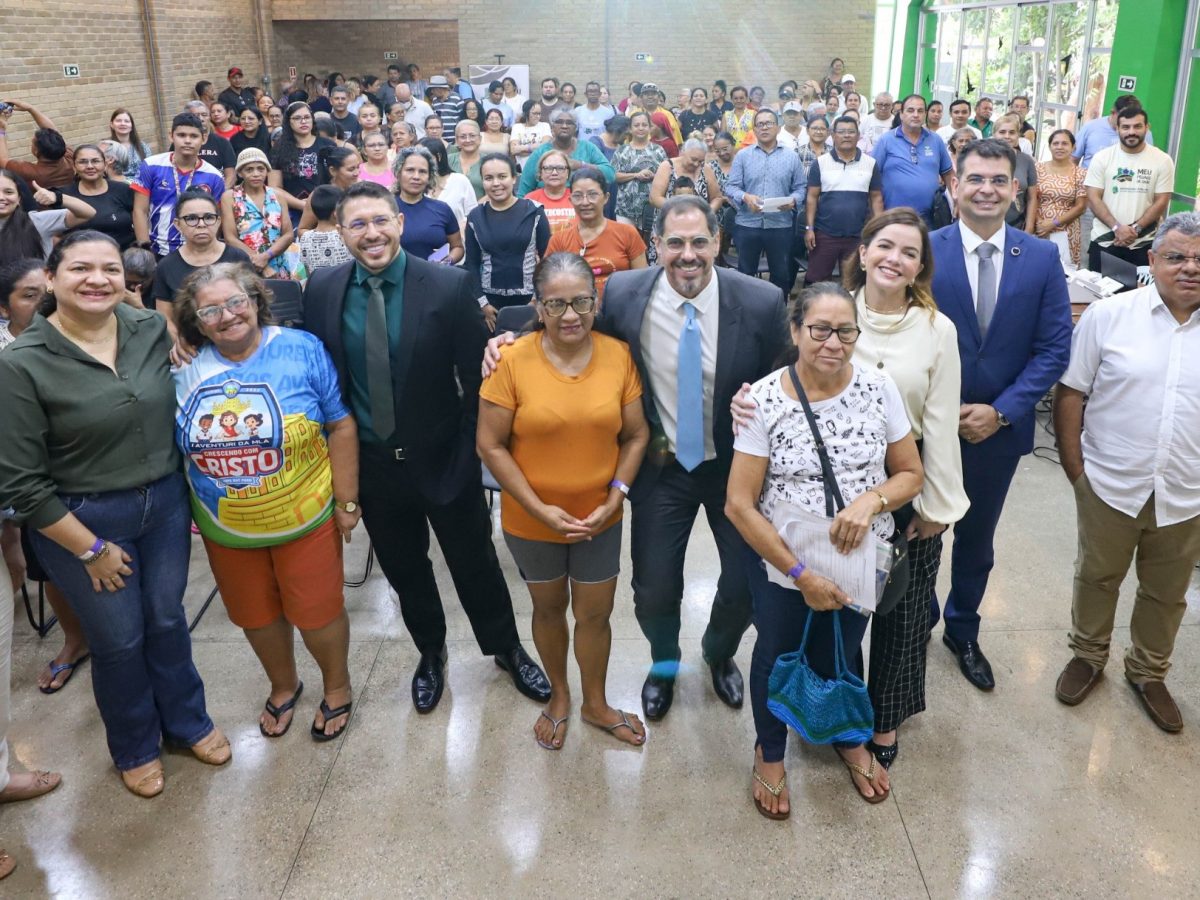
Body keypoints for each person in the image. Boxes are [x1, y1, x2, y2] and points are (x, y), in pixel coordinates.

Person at [485, 196, 788, 722]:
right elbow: (568, 321)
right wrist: (510, 340)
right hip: (661, 468)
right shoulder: (625, 292)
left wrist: (763, 403)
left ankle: (718, 653)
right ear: (656, 245)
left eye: (699, 242)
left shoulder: (761, 300)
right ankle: (664, 663)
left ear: (718, 242)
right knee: (652, 591)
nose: (687, 255)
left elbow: (784, 378)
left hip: (734, 470)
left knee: (744, 586)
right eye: (675, 243)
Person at [301, 180, 550, 712]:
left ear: (400, 222)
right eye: (358, 224)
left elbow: (475, 377)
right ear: (341, 232)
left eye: (381, 220)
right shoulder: (322, 288)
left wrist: (468, 450)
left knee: (474, 562)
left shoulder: (446, 285)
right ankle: (430, 652)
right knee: (405, 568)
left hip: (444, 459)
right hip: (371, 465)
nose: (372, 234)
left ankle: (506, 647)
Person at [0, 230, 229, 798]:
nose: (97, 279)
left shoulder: (148, 328)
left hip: (165, 505)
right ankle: (134, 745)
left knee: (167, 620)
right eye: (80, 268)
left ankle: (187, 722)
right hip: (82, 520)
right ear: (52, 279)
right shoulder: (22, 364)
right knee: (120, 640)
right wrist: (91, 550)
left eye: (109, 268)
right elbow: (23, 485)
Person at [726, 281, 923, 814]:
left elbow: (910, 474)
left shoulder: (879, 389)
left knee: (841, 647)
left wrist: (871, 501)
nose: (832, 342)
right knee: (777, 653)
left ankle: (847, 736)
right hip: (784, 563)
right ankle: (769, 753)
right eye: (819, 329)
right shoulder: (762, 401)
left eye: (845, 331)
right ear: (795, 331)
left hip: (860, 559)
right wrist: (800, 574)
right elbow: (739, 505)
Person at [172, 262, 358, 740]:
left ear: (256, 299)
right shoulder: (182, 366)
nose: (227, 316)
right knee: (255, 615)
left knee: (317, 611)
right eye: (210, 310)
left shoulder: (301, 348)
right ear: (194, 321)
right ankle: (283, 685)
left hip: (306, 514)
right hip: (226, 526)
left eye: (236, 301)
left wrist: (347, 501)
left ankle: (336, 687)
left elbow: (339, 423)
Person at [477, 252, 650, 749]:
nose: (570, 315)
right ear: (536, 306)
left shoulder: (618, 355)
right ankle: (559, 696)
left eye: (580, 302)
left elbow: (636, 436)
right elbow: (488, 444)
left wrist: (617, 496)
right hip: (532, 519)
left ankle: (595, 702)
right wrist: (537, 507)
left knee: (595, 614)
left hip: (601, 513)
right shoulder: (510, 359)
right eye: (556, 305)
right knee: (548, 608)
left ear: (596, 303)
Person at [929, 138, 1072, 689]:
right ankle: (912, 621)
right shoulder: (924, 249)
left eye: (998, 180)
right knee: (919, 533)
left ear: (1016, 189)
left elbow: (1054, 348)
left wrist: (1004, 411)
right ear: (954, 185)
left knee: (976, 538)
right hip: (926, 430)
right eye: (975, 179)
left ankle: (962, 628)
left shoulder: (1039, 257)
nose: (986, 190)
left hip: (998, 431)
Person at [1052, 212, 1200, 733]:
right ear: (1153, 259)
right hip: (1110, 481)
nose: (1189, 268)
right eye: (1177, 256)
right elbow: (1071, 391)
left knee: (1167, 591)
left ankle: (1148, 671)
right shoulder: (1109, 315)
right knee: (1097, 575)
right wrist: (1076, 470)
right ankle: (1088, 656)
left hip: (1186, 490)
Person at [724, 109, 806, 296]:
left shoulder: (791, 157)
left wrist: (793, 200)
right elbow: (731, 187)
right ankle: (747, 315)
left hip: (780, 225)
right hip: (748, 225)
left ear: (777, 127)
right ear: (754, 129)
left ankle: (777, 316)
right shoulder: (743, 156)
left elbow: (801, 188)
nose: (765, 127)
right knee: (746, 274)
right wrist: (745, 197)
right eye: (760, 124)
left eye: (769, 123)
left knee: (780, 275)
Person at [1084, 105, 1174, 272]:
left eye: (1137, 126)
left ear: (1147, 128)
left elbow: (1161, 201)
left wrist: (1135, 229)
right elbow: (1093, 197)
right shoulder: (1102, 158)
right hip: (1104, 241)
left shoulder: (1162, 160)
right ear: (1117, 128)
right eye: (1125, 127)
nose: (1131, 132)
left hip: (1143, 244)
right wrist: (1117, 228)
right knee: (1099, 295)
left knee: (1139, 295)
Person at [153, 189, 252, 333]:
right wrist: (181, 345)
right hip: (190, 346)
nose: (201, 224)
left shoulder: (238, 258)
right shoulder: (166, 267)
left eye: (208, 217)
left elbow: (253, 305)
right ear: (177, 224)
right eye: (191, 218)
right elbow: (165, 317)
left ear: (218, 221)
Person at [466, 154, 551, 320]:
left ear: (514, 178)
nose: (496, 183)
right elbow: (472, 264)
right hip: (490, 303)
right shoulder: (476, 216)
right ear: (482, 182)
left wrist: (537, 299)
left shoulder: (533, 211)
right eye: (489, 178)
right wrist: (483, 304)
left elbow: (548, 258)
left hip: (529, 301)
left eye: (502, 176)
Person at [546, 167, 647, 303]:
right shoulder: (559, 240)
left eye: (592, 194)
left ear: (606, 198)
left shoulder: (627, 233)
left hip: (620, 311)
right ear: (570, 200)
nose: (585, 202)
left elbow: (643, 283)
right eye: (578, 196)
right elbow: (547, 283)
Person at [803, 117, 883, 284]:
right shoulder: (820, 163)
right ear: (833, 135)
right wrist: (809, 228)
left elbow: (876, 198)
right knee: (816, 282)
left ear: (858, 135)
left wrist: (878, 229)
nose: (846, 136)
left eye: (851, 132)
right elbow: (811, 197)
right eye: (841, 132)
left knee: (854, 283)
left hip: (858, 235)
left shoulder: (870, 164)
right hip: (824, 234)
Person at [221, 148, 306, 281]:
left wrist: (266, 256)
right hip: (245, 266)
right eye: (249, 169)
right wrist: (258, 261)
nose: (256, 174)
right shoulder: (230, 197)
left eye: (261, 169)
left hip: (278, 265)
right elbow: (230, 238)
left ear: (267, 171)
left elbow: (288, 234)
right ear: (240, 173)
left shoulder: (277, 195)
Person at [872, 94, 953, 228]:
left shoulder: (936, 140)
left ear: (925, 114)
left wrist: (956, 201)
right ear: (901, 114)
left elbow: (949, 174)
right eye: (910, 110)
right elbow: (873, 178)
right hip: (892, 218)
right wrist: (878, 217)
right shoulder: (886, 140)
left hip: (930, 220)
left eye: (920, 111)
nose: (916, 115)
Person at [647, 138, 720, 264]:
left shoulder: (706, 169)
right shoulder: (667, 166)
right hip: (669, 223)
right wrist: (681, 208)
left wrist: (705, 212)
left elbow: (717, 198)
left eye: (701, 161)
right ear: (682, 152)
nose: (697, 164)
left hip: (698, 224)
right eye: (693, 159)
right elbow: (654, 198)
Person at [0, 169, 95, 262]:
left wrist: (57, 197)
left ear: (19, 199)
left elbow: (87, 213)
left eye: (9, 192)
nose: (1, 197)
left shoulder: (36, 221)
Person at [516, 111, 615, 197]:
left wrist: (581, 165)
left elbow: (610, 175)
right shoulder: (540, 152)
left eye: (569, 123)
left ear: (575, 128)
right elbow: (524, 191)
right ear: (552, 127)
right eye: (559, 122)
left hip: (583, 205)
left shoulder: (588, 148)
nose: (564, 126)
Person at [392, 146, 463, 264]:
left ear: (429, 177)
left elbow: (458, 247)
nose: (416, 176)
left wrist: (447, 261)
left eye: (422, 171)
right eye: (410, 170)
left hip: (434, 278)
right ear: (398, 173)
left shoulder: (442, 209)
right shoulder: (386, 209)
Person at [268, 103, 334, 226]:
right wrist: (302, 205)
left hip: (327, 208)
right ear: (289, 122)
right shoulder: (279, 149)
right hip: (294, 210)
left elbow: (337, 179)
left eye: (307, 117)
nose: (303, 121)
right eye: (297, 118)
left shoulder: (327, 145)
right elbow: (274, 188)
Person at [1030, 129, 1087, 268]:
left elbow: (1081, 207)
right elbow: (1031, 198)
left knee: (1063, 271)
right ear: (1049, 146)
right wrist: (1039, 222)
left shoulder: (1080, 173)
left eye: (1064, 143)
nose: (1060, 147)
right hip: (1039, 227)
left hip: (1066, 230)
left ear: (1073, 147)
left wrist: (1054, 223)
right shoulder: (1037, 168)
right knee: (1034, 268)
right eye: (1055, 143)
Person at [60, 144, 135, 250]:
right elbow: (56, 235)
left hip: (123, 255)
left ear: (105, 165)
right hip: (81, 258)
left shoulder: (123, 190)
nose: (90, 166)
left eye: (95, 161)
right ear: (74, 166)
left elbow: (139, 220)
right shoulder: (64, 196)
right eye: (83, 162)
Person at [612, 112, 666, 238]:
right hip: (625, 209)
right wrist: (636, 175)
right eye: (636, 125)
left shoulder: (658, 150)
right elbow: (613, 176)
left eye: (644, 125)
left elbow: (667, 176)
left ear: (650, 127)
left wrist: (653, 176)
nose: (640, 128)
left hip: (652, 209)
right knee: (627, 246)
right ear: (630, 129)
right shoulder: (621, 151)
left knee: (652, 246)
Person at [0, 100, 74, 188]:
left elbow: (2, 160)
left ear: (36, 151)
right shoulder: (69, 159)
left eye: (33, 143)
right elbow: (54, 132)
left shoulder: (30, 172)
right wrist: (30, 108)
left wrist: (1, 129)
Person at [1073, 94, 1155, 170]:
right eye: (1124, 116)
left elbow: (1147, 162)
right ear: (1113, 113)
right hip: (1090, 182)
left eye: (1133, 117)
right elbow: (1073, 160)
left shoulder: (1144, 134)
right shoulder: (1090, 128)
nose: (1129, 121)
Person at [296, 145, 360, 232]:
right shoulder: (320, 195)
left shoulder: (363, 190)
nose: (357, 173)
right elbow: (303, 229)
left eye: (358, 167)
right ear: (333, 170)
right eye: (351, 169)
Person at [420, 137, 478, 233]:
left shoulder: (460, 181)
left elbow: (473, 215)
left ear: (438, 157)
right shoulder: (416, 184)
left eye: (425, 157)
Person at [991, 115, 1038, 230]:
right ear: (994, 134)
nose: (1007, 136)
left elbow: (1032, 198)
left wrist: (1029, 228)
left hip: (1016, 226)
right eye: (1002, 132)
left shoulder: (1027, 161)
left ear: (1018, 135)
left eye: (1012, 132)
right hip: (985, 223)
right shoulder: (982, 158)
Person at [181, 101, 236, 188]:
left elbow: (231, 175)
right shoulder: (181, 143)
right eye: (196, 115)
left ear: (209, 117)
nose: (201, 119)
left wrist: (221, 193)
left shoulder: (222, 142)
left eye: (204, 115)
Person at [297, 185, 352, 271]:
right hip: (344, 283)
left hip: (317, 283)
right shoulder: (345, 236)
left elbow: (306, 268)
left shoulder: (305, 237)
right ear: (336, 214)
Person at [526, 150, 578, 235]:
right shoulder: (530, 201)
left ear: (568, 173)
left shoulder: (577, 198)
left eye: (560, 168)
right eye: (548, 168)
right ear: (541, 173)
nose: (554, 173)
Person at [107, 108, 152, 181]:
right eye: (118, 121)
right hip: (118, 187)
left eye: (127, 121)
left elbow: (151, 169)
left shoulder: (143, 146)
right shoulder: (106, 148)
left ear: (131, 126)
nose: (123, 123)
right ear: (112, 124)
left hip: (142, 187)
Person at [448, 119, 485, 199]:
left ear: (480, 138)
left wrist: (474, 208)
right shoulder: (448, 160)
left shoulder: (489, 162)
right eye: (463, 137)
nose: (468, 140)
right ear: (457, 140)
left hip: (481, 209)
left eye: (472, 136)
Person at [510, 101, 552, 171]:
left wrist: (521, 148)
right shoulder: (517, 127)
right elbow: (513, 150)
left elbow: (545, 147)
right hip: (522, 169)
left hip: (541, 168)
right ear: (526, 113)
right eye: (535, 113)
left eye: (539, 113)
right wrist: (535, 148)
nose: (538, 116)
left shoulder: (545, 126)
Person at [429, 76, 465, 141]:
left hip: (456, 139)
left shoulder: (457, 98)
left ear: (440, 89)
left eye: (433, 89)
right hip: (441, 140)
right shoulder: (434, 101)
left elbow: (463, 118)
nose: (432, 91)